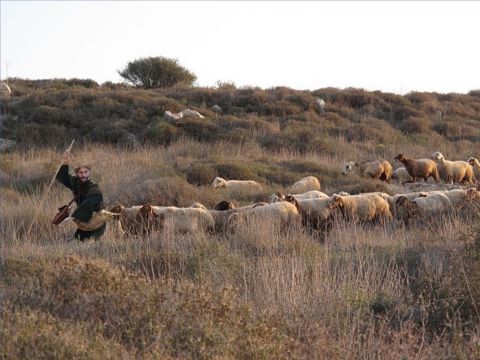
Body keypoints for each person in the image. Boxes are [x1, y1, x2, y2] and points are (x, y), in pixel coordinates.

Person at [56, 150, 106, 241]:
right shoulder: (76, 182)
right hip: (84, 222)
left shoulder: (93, 186)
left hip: (96, 222)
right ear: (77, 173)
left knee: (92, 245)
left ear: (89, 172)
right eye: (80, 172)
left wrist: (73, 217)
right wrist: (65, 163)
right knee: (78, 241)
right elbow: (62, 177)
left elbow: (90, 202)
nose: (83, 175)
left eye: (85, 172)